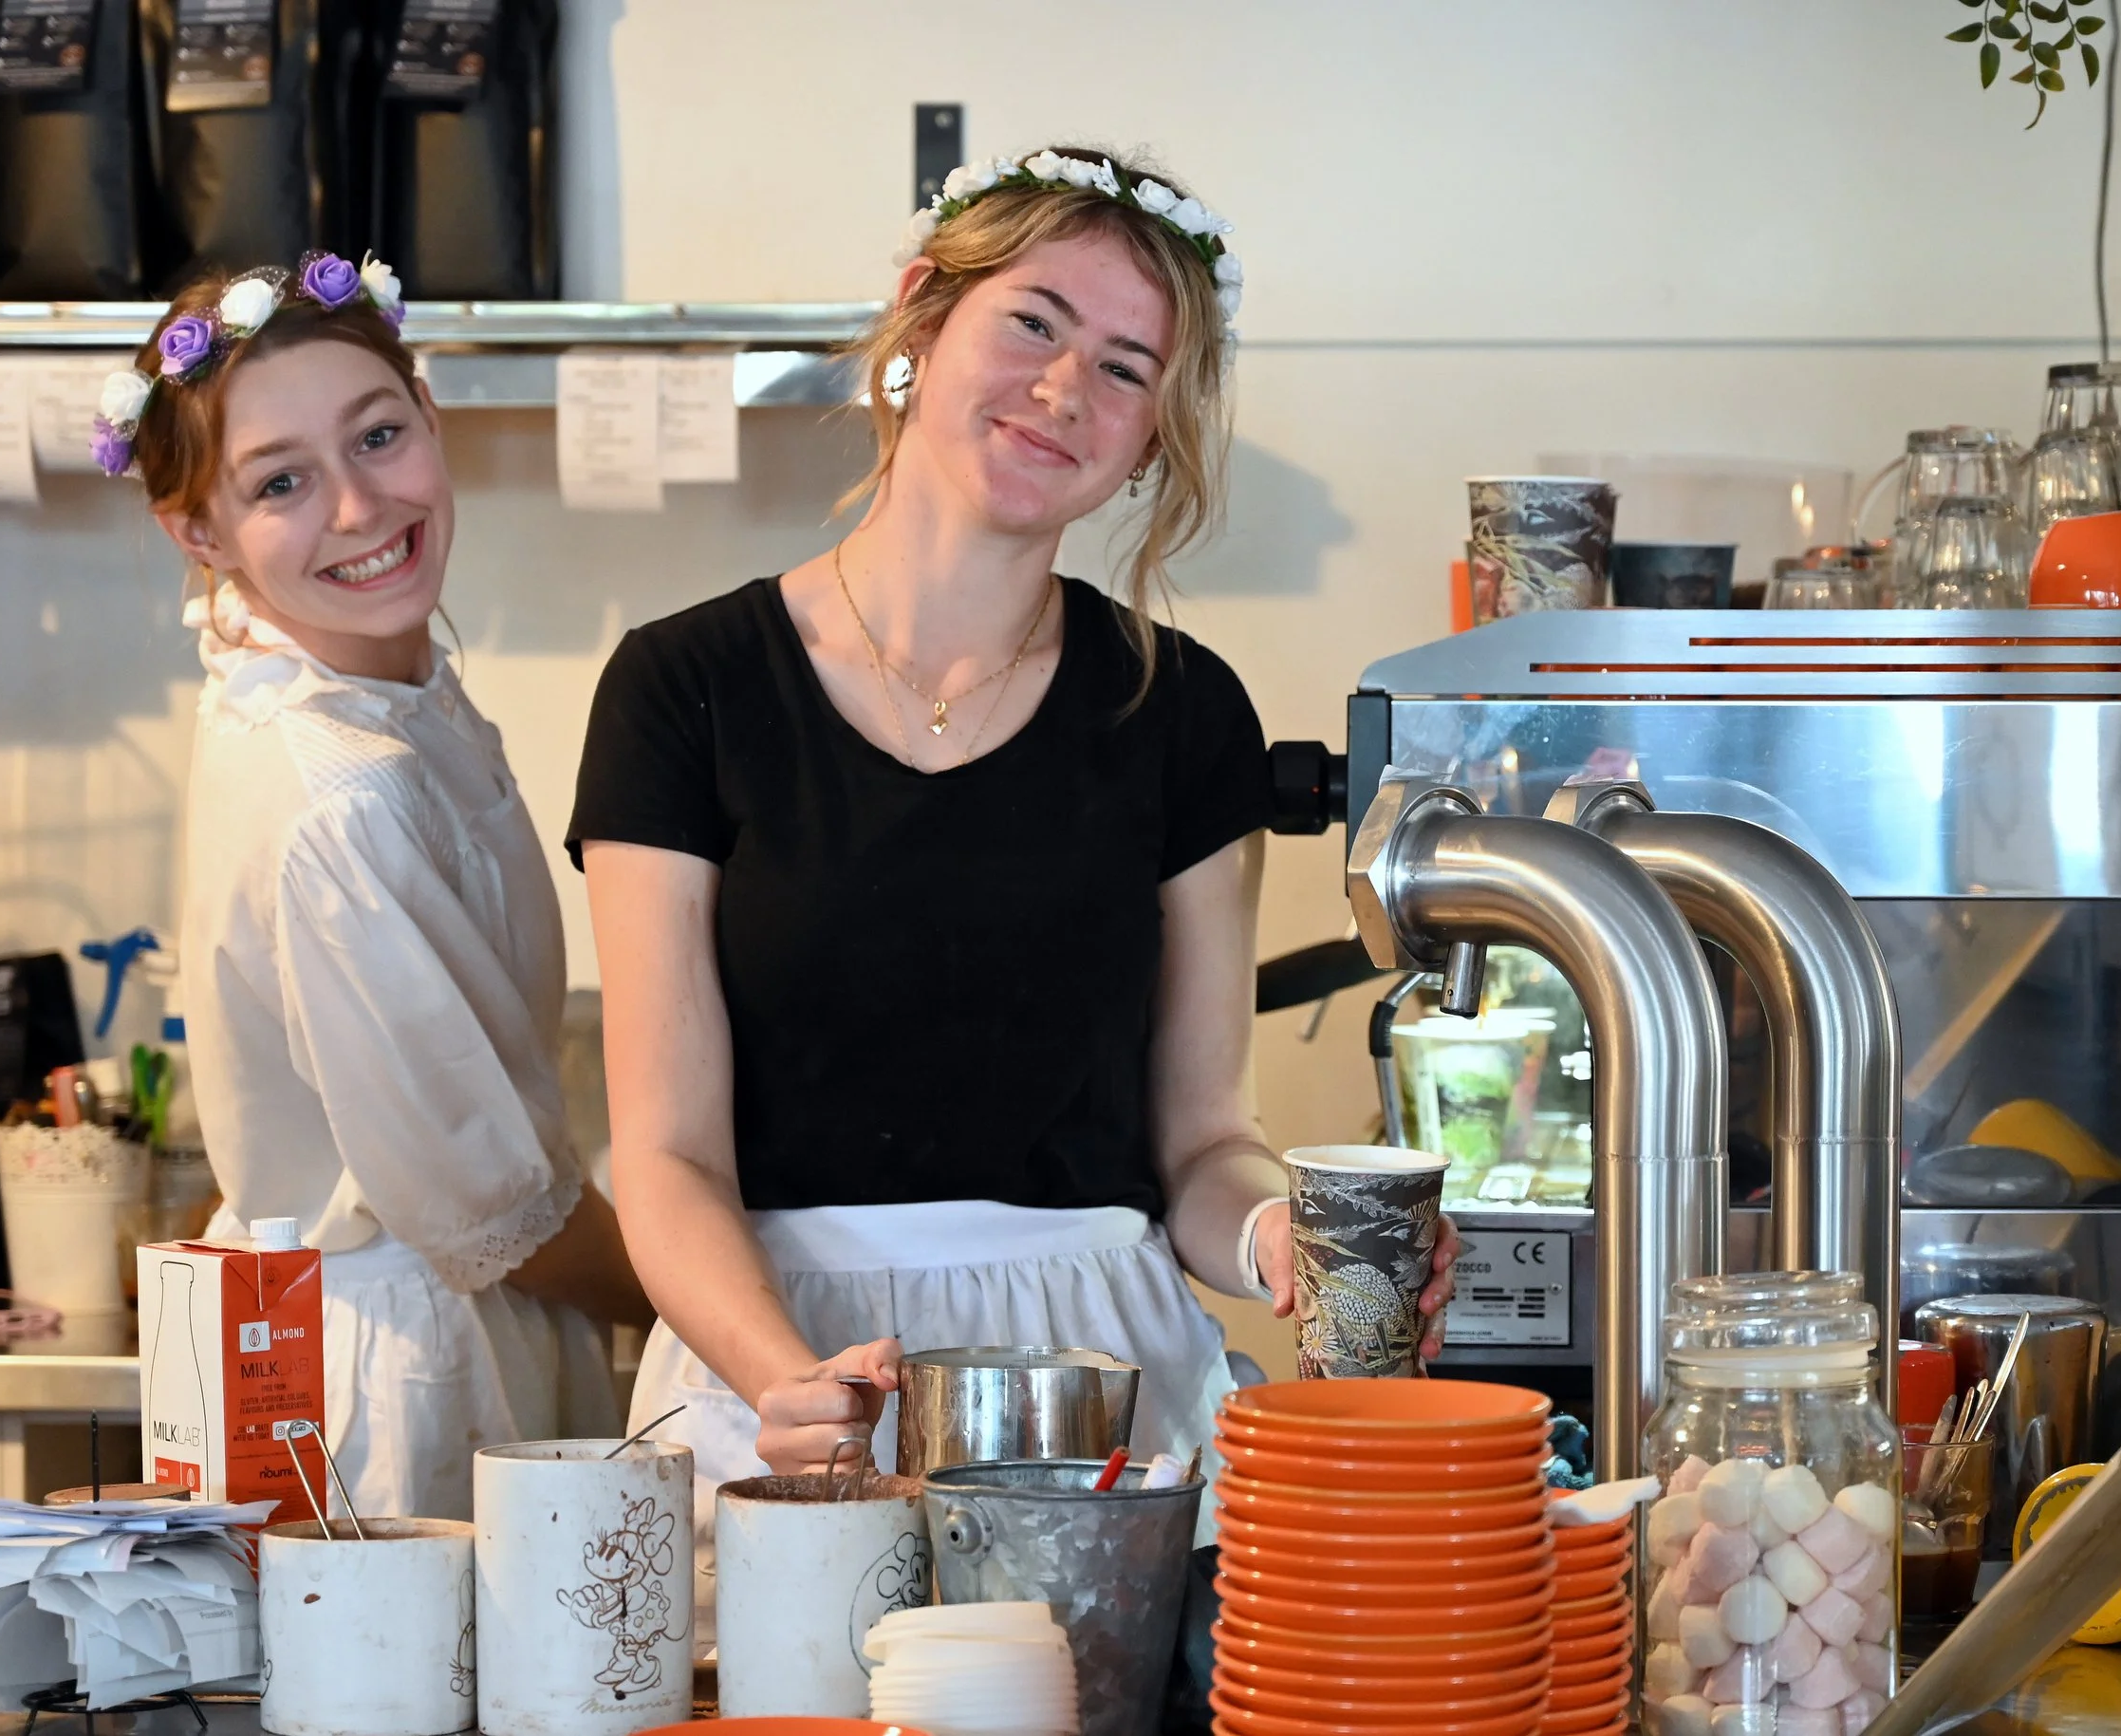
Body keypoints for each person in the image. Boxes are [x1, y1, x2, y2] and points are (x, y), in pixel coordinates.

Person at [569, 147, 1460, 1540]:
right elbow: (669, 1156)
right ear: (923, 315)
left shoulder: (1182, 711)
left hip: (1100, 1388)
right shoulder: (685, 687)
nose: (1063, 389)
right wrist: (784, 1379)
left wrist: (1280, 1235)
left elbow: (1202, 1145)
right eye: (1033, 322)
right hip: (776, 1368)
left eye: (1125, 367)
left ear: (1151, 437)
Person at [102, 253, 652, 1521]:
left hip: (459, 1322)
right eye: (280, 482)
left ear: (428, 416)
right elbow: (491, 1212)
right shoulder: (334, 791)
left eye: (378, 436)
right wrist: (720, 1310)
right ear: (199, 532)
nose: (358, 506)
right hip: (407, 1375)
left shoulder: (374, 693)